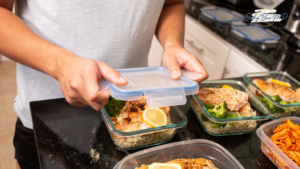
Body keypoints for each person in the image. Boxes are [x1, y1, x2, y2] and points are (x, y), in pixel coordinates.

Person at [0, 0, 209, 168]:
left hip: (135, 119)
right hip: (48, 115)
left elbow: (171, 4)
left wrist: (172, 44)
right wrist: (59, 64)